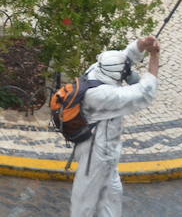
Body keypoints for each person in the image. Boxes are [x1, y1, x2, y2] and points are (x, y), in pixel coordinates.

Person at [68, 36, 161, 217]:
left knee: (112, 193)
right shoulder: (104, 96)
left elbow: (122, 58)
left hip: (106, 151)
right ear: (115, 76)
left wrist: (141, 44)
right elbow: (145, 93)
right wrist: (154, 57)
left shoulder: (97, 69)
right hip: (97, 154)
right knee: (85, 200)